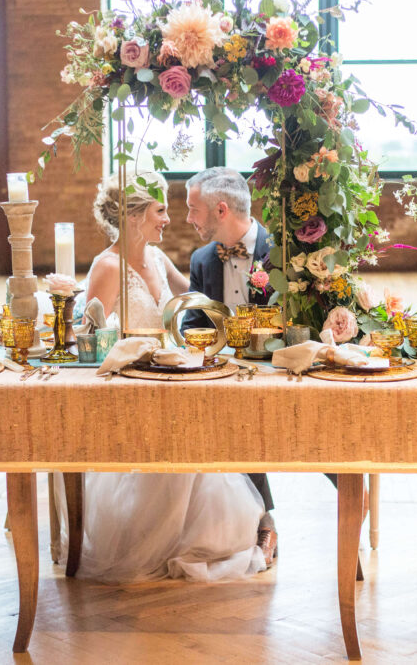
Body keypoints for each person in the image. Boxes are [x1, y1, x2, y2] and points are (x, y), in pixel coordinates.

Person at [63, 171, 268, 583]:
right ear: (135, 217)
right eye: (160, 211)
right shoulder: (108, 267)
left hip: (169, 381)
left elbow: (197, 301)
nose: (169, 220)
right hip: (134, 391)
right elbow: (83, 340)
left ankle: (221, 533)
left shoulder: (156, 259)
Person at [183, 167, 280, 563]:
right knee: (232, 410)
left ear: (221, 210)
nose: (187, 218)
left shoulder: (282, 252)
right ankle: (262, 523)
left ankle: (348, 488)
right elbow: (192, 322)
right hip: (225, 378)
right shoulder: (203, 260)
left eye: (193, 210)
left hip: (279, 369)